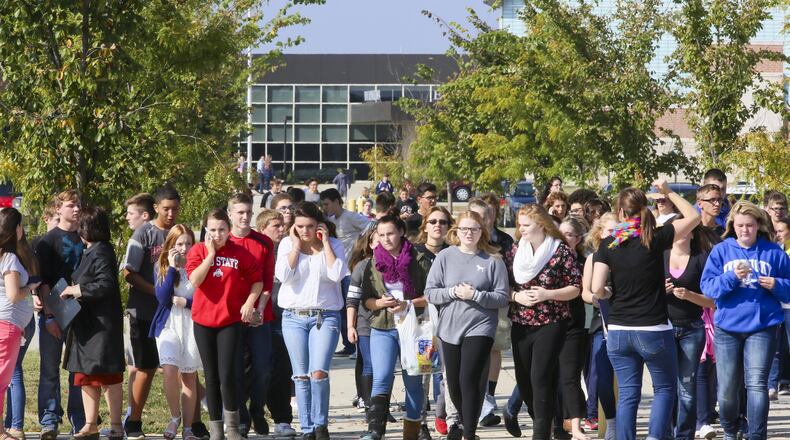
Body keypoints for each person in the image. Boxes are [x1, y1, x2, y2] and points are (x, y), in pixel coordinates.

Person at [591, 180, 700, 440]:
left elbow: (596, 289)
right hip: (653, 329)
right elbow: (693, 216)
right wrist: (668, 191)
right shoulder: (655, 237)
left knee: (628, 393)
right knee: (664, 388)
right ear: (645, 209)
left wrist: (608, 293)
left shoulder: (609, 244)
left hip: (618, 330)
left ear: (620, 212)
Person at [701, 201, 790, 440]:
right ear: (733, 226)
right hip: (727, 327)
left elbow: (789, 288)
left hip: (763, 326)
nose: (744, 230)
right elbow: (707, 287)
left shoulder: (773, 252)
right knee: (727, 389)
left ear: (758, 225)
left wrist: (777, 284)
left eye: (749, 225)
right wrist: (731, 277)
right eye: (740, 225)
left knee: (757, 384)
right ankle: (731, 431)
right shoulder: (721, 250)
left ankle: (757, 435)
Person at [425, 211, 510, 440]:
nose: (469, 233)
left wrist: (477, 296)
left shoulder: (493, 260)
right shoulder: (445, 256)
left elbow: (502, 297)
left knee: (469, 378)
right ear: (456, 231)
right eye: (464, 229)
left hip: (480, 326)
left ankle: (470, 433)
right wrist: (452, 292)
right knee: (454, 383)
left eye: (474, 229)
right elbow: (430, 292)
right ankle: (462, 422)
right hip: (450, 328)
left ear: (482, 231)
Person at [186, 208, 263, 440]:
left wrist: (249, 303)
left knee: (227, 374)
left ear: (229, 230)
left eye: (222, 229)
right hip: (203, 321)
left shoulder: (239, 252)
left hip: (229, 321)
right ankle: (216, 429)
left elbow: (257, 281)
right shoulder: (198, 250)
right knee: (211, 377)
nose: (217, 234)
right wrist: (210, 255)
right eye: (212, 230)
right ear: (206, 230)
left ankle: (233, 428)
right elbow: (195, 280)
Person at [508, 205, 582, 440]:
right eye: (520, 225)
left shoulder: (560, 251)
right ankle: (545, 418)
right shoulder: (516, 250)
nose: (521, 229)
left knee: (540, 377)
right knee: (524, 381)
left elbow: (575, 288)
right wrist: (516, 296)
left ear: (541, 225)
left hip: (552, 321)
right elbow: (503, 286)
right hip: (521, 322)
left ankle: (541, 433)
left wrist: (548, 294)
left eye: (526, 225)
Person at [275, 202, 347, 440]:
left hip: (324, 316)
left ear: (319, 225)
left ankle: (320, 425)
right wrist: (296, 246)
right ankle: (307, 428)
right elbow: (283, 276)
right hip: (293, 317)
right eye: (300, 226)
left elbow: (337, 274)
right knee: (300, 375)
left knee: (318, 373)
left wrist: (325, 244)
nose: (305, 231)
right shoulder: (287, 244)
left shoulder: (334, 244)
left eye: (309, 226)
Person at [358, 213, 433, 440]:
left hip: (417, 328)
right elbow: (366, 300)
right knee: (381, 377)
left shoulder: (420, 258)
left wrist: (407, 304)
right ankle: (375, 431)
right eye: (381, 235)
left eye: (390, 233)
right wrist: (380, 303)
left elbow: (432, 295)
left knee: (414, 379)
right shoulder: (373, 262)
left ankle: (412, 432)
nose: (386, 239)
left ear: (401, 232)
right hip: (383, 326)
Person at [57, 207, 125, 440]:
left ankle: (116, 425)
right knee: (86, 377)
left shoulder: (102, 251)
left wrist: (76, 290)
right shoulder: (91, 250)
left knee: (108, 376)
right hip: (87, 327)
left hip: (101, 327)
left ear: (90, 228)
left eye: (82, 225)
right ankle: (90, 424)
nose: (78, 229)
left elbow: (106, 284)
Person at [123, 186, 181, 440]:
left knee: (183, 368)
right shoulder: (144, 233)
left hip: (174, 314)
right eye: (166, 208)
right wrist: (156, 291)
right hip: (145, 312)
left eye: (175, 208)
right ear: (156, 208)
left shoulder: (180, 233)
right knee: (145, 368)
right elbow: (128, 272)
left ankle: (194, 421)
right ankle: (133, 422)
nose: (170, 213)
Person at [34, 190, 85, 438]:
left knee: (79, 370)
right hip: (54, 310)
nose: (76, 209)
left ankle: (80, 420)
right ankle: (49, 420)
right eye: (71, 205)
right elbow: (43, 283)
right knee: (49, 369)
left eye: (78, 205)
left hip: (81, 312)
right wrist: (50, 316)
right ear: (58, 208)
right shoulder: (48, 241)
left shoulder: (85, 237)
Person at [226, 193, 275, 437]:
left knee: (263, 366)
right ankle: (242, 417)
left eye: (248, 212)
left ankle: (257, 409)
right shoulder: (222, 241)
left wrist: (259, 308)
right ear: (230, 214)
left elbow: (268, 280)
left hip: (259, 314)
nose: (245, 217)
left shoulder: (263, 242)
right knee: (235, 369)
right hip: (230, 317)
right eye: (240, 212)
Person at [663, 219, 715, 440]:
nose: (682, 233)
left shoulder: (701, 258)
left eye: (686, 230)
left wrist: (689, 295)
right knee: (664, 386)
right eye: (677, 229)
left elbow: (712, 301)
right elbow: (642, 293)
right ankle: (665, 432)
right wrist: (659, 291)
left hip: (692, 329)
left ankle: (684, 435)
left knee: (686, 385)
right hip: (662, 328)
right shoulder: (659, 256)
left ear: (693, 234)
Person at [150, 225, 201, 440]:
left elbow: (206, 299)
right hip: (168, 324)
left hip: (191, 323)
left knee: (189, 376)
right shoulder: (161, 266)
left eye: (188, 243)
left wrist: (186, 302)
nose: (184, 248)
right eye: (179, 243)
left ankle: (188, 428)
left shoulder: (198, 266)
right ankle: (174, 417)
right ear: (171, 245)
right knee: (170, 370)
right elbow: (162, 298)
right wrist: (172, 267)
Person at [412, 207, 454, 436]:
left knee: (448, 374)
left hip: (450, 321)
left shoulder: (455, 253)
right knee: (424, 373)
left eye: (443, 222)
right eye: (433, 221)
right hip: (423, 322)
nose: (438, 225)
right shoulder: (414, 253)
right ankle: (421, 423)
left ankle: (442, 414)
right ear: (425, 226)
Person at [256, 210, 298, 436]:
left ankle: (282, 419)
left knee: (282, 370)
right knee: (258, 370)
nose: (282, 229)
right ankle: (251, 414)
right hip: (259, 318)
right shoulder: (256, 251)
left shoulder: (290, 250)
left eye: (283, 225)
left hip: (283, 319)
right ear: (262, 229)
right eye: (276, 226)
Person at [0, 208, 41, 440]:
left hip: (7, 323)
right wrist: (31, 287)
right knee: (2, 380)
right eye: (21, 225)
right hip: (7, 324)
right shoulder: (9, 258)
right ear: (16, 228)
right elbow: (14, 294)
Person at [578, 213, 618, 440]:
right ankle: (609, 421)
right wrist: (597, 297)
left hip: (626, 321)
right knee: (601, 375)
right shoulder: (593, 259)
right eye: (609, 231)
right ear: (600, 233)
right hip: (600, 322)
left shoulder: (628, 254)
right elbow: (585, 292)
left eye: (617, 230)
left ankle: (624, 422)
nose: (613, 235)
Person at [319, 188, 373, 356]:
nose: (325, 207)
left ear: (337, 201)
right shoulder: (329, 221)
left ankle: (358, 347)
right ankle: (348, 346)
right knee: (342, 310)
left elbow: (372, 225)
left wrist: (361, 244)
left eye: (327, 204)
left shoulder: (350, 217)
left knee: (353, 308)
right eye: (323, 205)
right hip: (336, 272)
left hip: (350, 272)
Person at [554, 216, 591, 440]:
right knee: (548, 376)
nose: (563, 238)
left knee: (569, 377)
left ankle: (575, 425)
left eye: (568, 234)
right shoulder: (549, 259)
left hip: (575, 325)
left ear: (578, 239)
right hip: (550, 323)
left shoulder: (585, 262)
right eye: (561, 233)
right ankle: (556, 423)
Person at [346, 226, 378, 417]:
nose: (383, 242)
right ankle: (369, 405)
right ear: (370, 244)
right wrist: (351, 326)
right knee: (370, 364)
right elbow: (352, 299)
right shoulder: (362, 266)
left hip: (392, 324)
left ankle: (380, 406)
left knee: (385, 369)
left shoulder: (400, 264)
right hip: (365, 323)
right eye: (377, 239)